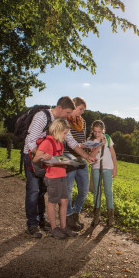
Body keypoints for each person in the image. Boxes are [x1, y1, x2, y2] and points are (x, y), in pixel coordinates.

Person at [23, 96, 95, 238]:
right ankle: (32, 224)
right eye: (68, 113)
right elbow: (30, 140)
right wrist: (43, 155)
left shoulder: (62, 122)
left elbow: (72, 142)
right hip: (32, 156)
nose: (69, 116)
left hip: (48, 159)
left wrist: (86, 157)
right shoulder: (42, 117)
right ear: (60, 108)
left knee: (43, 191)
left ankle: (42, 221)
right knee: (33, 190)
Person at [32, 119, 78, 239]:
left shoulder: (60, 144)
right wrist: (42, 156)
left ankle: (63, 227)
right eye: (64, 133)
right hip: (52, 177)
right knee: (52, 203)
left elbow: (58, 159)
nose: (66, 136)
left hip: (62, 175)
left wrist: (69, 160)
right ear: (57, 131)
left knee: (64, 201)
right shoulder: (47, 142)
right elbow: (35, 160)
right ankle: (53, 229)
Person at [65, 97, 89, 231]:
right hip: (68, 157)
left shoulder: (82, 122)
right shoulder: (65, 120)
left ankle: (76, 213)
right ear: (73, 107)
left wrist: (87, 145)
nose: (82, 112)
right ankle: (68, 216)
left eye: (83, 110)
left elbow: (82, 139)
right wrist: (77, 145)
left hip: (81, 158)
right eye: (80, 109)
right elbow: (66, 140)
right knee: (68, 189)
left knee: (84, 189)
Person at [88, 120, 118, 227]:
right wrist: (100, 145)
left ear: (103, 130)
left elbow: (113, 154)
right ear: (92, 130)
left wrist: (115, 168)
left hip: (108, 168)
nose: (97, 134)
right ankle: (96, 216)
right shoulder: (90, 140)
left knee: (108, 191)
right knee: (97, 192)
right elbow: (91, 155)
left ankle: (111, 218)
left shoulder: (108, 138)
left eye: (99, 132)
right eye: (95, 131)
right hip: (96, 168)